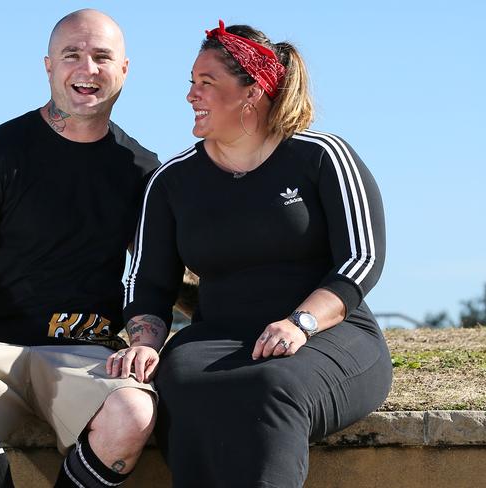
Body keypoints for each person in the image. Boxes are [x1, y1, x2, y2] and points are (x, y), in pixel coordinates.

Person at [110, 20, 393, 487]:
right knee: (180, 383)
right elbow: (148, 282)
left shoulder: (321, 156)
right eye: (191, 84)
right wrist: (143, 341)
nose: (191, 96)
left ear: (252, 92)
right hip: (215, 338)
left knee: (271, 384)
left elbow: (361, 259)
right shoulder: (172, 182)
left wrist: (299, 323)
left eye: (207, 83)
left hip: (329, 336)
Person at [0, 9, 161, 488]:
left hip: (89, 354)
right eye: (73, 55)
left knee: (134, 411)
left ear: (124, 69)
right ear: (49, 65)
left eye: (102, 57)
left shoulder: (143, 170)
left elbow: (157, 274)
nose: (88, 68)